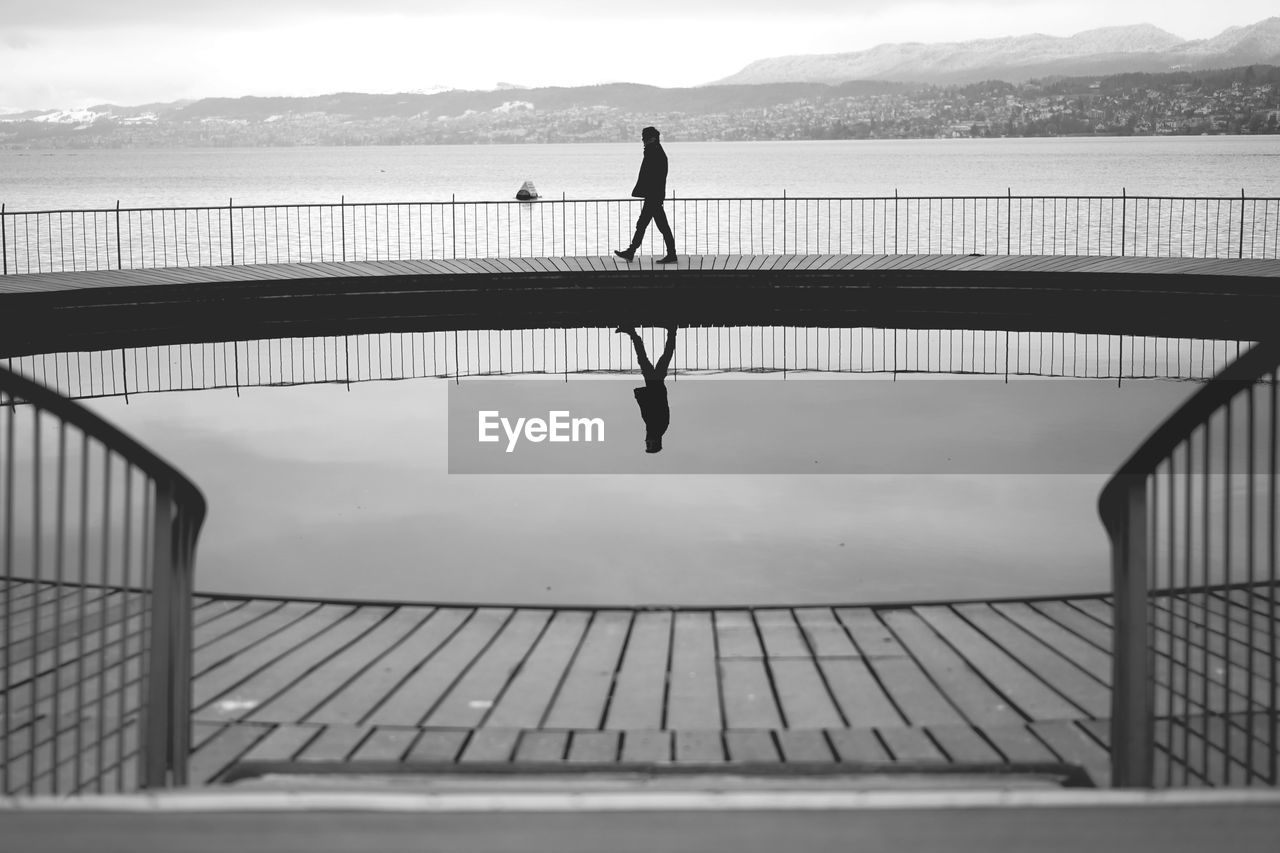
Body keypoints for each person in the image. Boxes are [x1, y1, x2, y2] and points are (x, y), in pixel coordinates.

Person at [614, 127, 677, 264]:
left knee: (655, 226)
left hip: (653, 195)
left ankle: (670, 254)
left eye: (645, 138)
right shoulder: (656, 151)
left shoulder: (653, 152)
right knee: (647, 224)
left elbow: (651, 176)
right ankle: (631, 252)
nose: (643, 141)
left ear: (652, 139)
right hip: (654, 195)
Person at [616, 325, 677, 453]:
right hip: (655, 384)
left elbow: (648, 408)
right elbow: (655, 405)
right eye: (650, 444)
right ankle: (670, 331)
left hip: (654, 384)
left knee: (656, 357)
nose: (647, 442)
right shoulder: (658, 427)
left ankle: (669, 331)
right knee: (656, 357)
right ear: (656, 442)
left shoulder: (655, 428)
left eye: (647, 444)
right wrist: (641, 395)